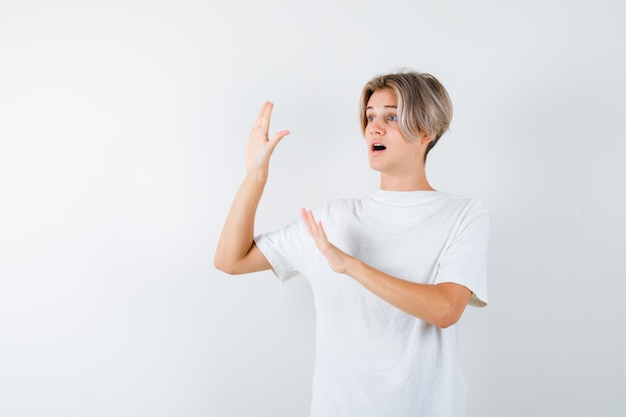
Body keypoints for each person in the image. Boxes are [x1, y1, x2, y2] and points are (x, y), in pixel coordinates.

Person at [214, 69, 490, 417]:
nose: (374, 127)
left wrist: (353, 267)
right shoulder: (332, 220)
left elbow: (445, 309)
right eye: (370, 116)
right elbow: (230, 260)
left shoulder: (463, 214)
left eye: (391, 116)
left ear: (427, 131)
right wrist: (255, 175)